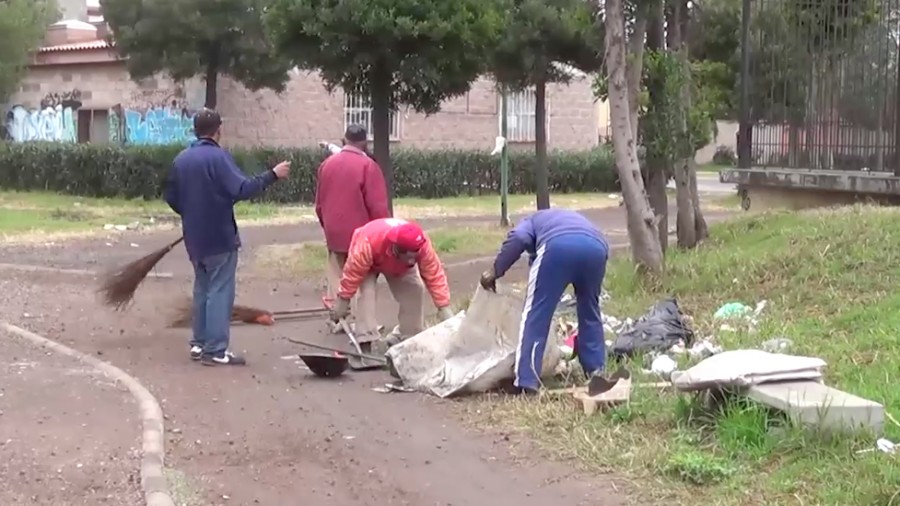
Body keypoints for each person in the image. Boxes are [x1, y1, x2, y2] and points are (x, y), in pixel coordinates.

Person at [164, 108, 290, 366]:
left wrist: (192, 214)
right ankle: (216, 350)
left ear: (194, 130)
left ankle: (199, 345)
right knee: (220, 291)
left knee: (202, 289)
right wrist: (273, 175)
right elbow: (241, 188)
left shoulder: (181, 160)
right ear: (218, 130)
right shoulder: (219, 158)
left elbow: (172, 198)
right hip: (219, 235)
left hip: (194, 237)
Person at [480, 209, 609, 395]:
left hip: (557, 247)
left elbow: (518, 238)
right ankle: (596, 371)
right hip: (597, 248)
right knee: (590, 311)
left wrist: (495, 271)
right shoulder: (560, 218)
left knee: (536, 314)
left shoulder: (530, 221)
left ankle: (526, 380)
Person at [331, 218, 455, 353]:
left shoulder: (422, 246)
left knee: (414, 288)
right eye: (409, 256)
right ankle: (365, 342)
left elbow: (434, 274)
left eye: (415, 255)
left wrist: (443, 306)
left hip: (398, 264)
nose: (413, 260)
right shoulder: (366, 245)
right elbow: (352, 274)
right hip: (370, 257)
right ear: (396, 248)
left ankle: (408, 337)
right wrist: (343, 299)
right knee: (366, 293)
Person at [314, 124, 389, 310]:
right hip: (361, 235)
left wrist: (328, 227)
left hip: (334, 232)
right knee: (365, 280)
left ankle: (338, 318)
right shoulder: (369, 166)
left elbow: (319, 205)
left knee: (336, 275)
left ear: (344, 139)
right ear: (365, 142)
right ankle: (364, 326)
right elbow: (378, 208)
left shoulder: (326, 165)